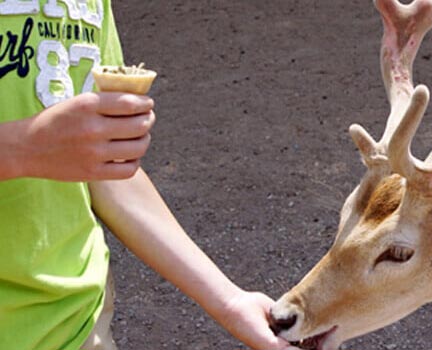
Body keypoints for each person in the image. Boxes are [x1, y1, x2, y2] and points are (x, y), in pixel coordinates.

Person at [0, 1, 293, 349]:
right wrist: (20, 149)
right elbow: (46, 147)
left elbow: (101, 171)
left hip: (78, 327)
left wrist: (229, 301)